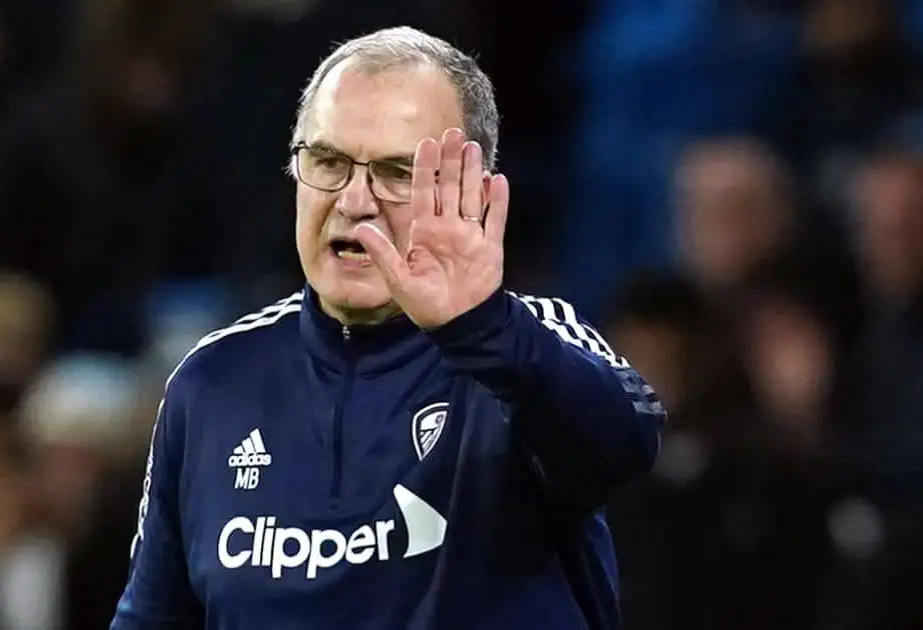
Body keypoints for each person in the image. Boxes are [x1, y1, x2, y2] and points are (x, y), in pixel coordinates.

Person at [111, 26, 666, 629]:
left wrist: (484, 332)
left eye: (398, 172)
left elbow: (627, 443)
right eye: (327, 161)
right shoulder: (213, 381)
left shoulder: (526, 349)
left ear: (472, 198)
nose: (355, 201)